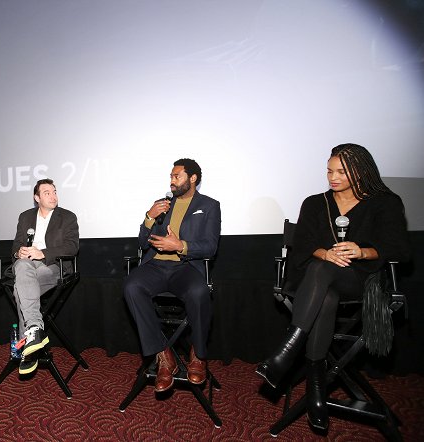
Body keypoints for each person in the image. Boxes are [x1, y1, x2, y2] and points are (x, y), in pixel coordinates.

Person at [255, 143, 410, 431]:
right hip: (317, 280)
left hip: (360, 278)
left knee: (323, 275)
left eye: (341, 171)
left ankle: (285, 355)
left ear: (361, 172)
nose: (332, 177)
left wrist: (361, 251)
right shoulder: (315, 203)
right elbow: (302, 243)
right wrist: (325, 253)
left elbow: (398, 248)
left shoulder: (385, 202)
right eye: (329, 170)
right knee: (324, 288)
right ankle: (317, 389)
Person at [124, 158, 221, 393]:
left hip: (186, 267)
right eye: (171, 176)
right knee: (131, 286)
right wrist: (149, 216)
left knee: (199, 292)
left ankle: (198, 354)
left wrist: (180, 245)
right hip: (156, 265)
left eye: (176, 176)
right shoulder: (162, 205)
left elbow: (210, 246)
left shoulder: (209, 205)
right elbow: (142, 243)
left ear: (193, 178)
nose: (172, 181)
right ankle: (163, 355)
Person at [11, 178, 79, 375]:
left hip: (53, 266)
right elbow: (15, 246)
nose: (53, 196)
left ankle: (28, 346)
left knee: (19, 290)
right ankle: (34, 330)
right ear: (36, 197)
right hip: (28, 266)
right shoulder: (25, 217)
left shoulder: (67, 217)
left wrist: (43, 252)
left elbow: (72, 247)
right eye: (47, 192)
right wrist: (19, 253)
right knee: (22, 266)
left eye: (54, 191)